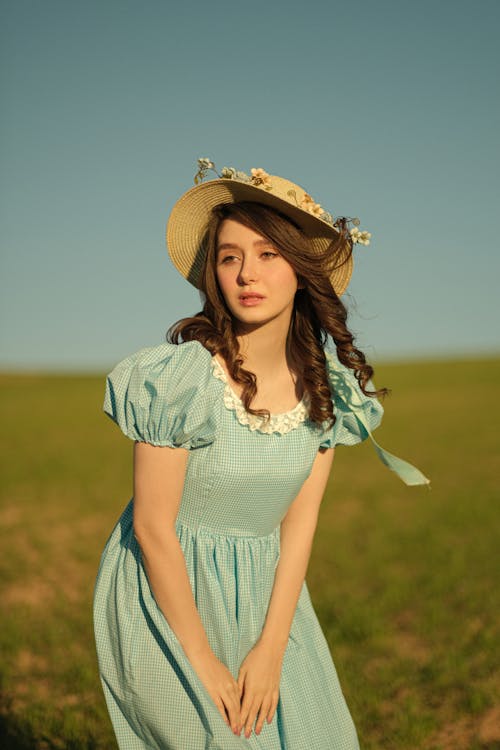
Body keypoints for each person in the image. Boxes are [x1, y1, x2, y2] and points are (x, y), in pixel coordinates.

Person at [93, 159, 429, 750]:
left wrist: (272, 647)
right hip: (165, 591)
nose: (247, 272)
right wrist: (205, 662)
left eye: (269, 253)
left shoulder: (326, 391)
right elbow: (151, 528)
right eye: (229, 256)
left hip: (268, 593)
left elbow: (299, 525)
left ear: (303, 271)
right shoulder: (182, 380)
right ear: (213, 274)